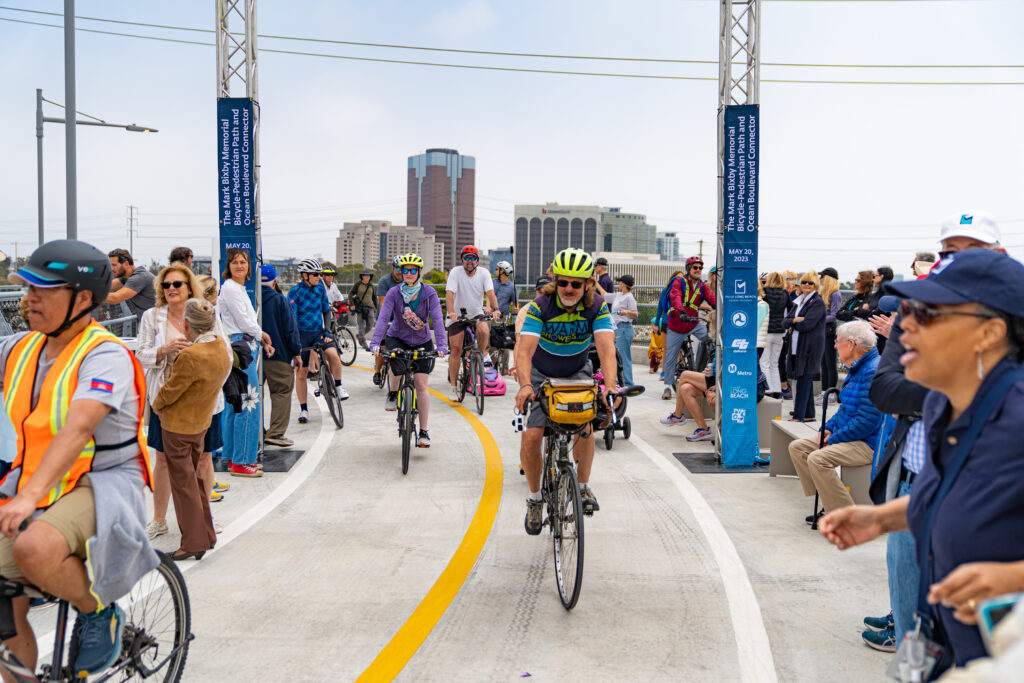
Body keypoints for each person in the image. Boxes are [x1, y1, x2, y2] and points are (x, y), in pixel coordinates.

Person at [820, 249, 1024, 677]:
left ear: (989, 333)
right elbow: (942, 495)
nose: (904, 326)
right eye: (909, 310)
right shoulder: (942, 408)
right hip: (939, 640)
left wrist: (1013, 579)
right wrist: (881, 519)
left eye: (929, 314)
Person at [0, 240, 156, 678]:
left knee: (33, 546)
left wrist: (29, 497)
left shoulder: (105, 355)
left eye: (43, 289)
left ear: (83, 299)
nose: (29, 297)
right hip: (35, 477)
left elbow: (78, 429)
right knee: (4, 609)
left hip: (101, 480)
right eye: (27, 287)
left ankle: (96, 612)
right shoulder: (20, 348)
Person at [863, 215, 1005, 652]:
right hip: (915, 488)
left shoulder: (1012, 316)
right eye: (948, 252)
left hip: (988, 497)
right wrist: (954, 384)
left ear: (997, 255)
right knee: (912, 625)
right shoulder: (915, 307)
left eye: (970, 250)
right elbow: (885, 388)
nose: (956, 260)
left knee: (974, 635)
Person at [516, 247, 616, 529]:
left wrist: (610, 386)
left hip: (577, 372)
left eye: (575, 283)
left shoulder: (596, 306)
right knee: (532, 437)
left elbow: (607, 350)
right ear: (555, 281)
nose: (568, 288)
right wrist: (525, 385)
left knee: (585, 428)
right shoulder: (541, 306)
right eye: (563, 282)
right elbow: (524, 352)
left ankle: (582, 486)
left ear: (587, 284)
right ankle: (535, 500)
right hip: (541, 375)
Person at [137, 263, 230, 539]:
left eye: (177, 284)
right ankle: (158, 519)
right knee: (163, 459)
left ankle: (205, 519)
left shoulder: (205, 313)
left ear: (189, 287)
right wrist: (164, 350)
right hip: (166, 399)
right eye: (166, 285)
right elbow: (140, 352)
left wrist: (198, 355)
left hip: (204, 400)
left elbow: (223, 351)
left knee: (203, 458)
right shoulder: (151, 317)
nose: (171, 290)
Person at [151, 298, 231, 561]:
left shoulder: (190, 355)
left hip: (177, 427)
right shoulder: (219, 347)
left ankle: (193, 542)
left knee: (183, 486)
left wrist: (157, 403)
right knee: (194, 482)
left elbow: (171, 390)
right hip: (200, 423)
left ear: (187, 324)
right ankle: (206, 534)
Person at [788, 320, 883, 518]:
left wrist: (833, 439)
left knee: (818, 458)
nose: (834, 345)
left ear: (851, 344)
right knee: (798, 447)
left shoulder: (872, 370)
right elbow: (845, 409)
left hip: (870, 443)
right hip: (854, 436)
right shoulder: (859, 367)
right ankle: (827, 498)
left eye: (837, 341)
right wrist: (829, 428)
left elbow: (868, 421)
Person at [370, 254, 448, 447]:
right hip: (398, 337)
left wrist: (442, 345)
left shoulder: (429, 293)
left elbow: (437, 320)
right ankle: (393, 393)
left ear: (419, 272)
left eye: (413, 270)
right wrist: (375, 343)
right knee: (395, 363)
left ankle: (423, 432)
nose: (409, 274)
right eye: (405, 270)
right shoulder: (393, 293)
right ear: (401, 272)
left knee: (421, 385)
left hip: (422, 340)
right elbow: (383, 318)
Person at [219, 248, 274, 477]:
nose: (240, 266)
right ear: (228, 266)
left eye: (243, 262)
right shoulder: (231, 288)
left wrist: (258, 337)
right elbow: (245, 322)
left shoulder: (236, 288)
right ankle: (242, 461)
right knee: (249, 402)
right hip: (241, 347)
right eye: (235, 262)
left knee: (236, 402)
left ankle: (233, 457)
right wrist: (263, 335)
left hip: (241, 346)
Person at [290, 258, 348, 426]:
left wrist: (328, 331)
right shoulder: (294, 292)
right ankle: (304, 409)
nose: (319, 277)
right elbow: (292, 317)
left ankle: (338, 386)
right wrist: (294, 340)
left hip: (319, 332)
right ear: (305, 275)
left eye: (320, 274)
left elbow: (326, 311)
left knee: (334, 356)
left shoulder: (320, 288)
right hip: (301, 335)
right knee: (301, 373)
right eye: (316, 274)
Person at [445, 245, 500, 402]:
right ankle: (454, 387)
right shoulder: (456, 272)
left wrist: (495, 309)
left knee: (484, 330)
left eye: (472, 258)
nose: (469, 261)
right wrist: (451, 313)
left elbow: (490, 293)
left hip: (476, 312)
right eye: (466, 258)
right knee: (455, 350)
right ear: (462, 259)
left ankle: (479, 355)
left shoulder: (483, 273)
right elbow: (449, 294)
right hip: (457, 315)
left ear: (477, 260)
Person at [661, 256, 715, 400]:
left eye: (700, 268)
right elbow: (676, 297)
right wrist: (681, 311)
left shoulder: (702, 285)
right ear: (688, 269)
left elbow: (712, 299)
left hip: (693, 323)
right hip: (677, 324)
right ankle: (667, 387)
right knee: (671, 356)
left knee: (710, 341)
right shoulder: (679, 282)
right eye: (695, 267)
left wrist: (721, 308)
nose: (698, 270)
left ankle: (706, 370)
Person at [260, 265, 301, 448]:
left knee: (254, 395)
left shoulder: (247, 298)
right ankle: (275, 434)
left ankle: (256, 431)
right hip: (279, 355)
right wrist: (296, 352)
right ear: (275, 281)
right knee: (281, 392)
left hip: (253, 357)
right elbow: (290, 329)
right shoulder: (279, 300)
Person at [784, 271, 826, 422]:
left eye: (810, 283)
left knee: (803, 379)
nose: (806, 285)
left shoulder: (817, 302)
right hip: (797, 345)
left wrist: (793, 323)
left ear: (815, 286)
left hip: (810, 347)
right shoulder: (798, 301)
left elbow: (807, 324)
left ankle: (798, 415)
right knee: (803, 377)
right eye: (804, 283)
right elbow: (785, 322)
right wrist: (796, 320)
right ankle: (809, 414)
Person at [374, 256, 404, 384]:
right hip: (386, 317)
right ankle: (377, 371)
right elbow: (382, 303)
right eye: (397, 268)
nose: (399, 271)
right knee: (383, 346)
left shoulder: (408, 281)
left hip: (403, 318)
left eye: (402, 268)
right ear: (393, 268)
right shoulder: (384, 281)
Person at [105, 248, 155, 323]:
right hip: (152, 324)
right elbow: (107, 286)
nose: (112, 268)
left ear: (126, 264)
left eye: (114, 265)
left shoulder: (139, 277)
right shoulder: (127, 278)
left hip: (161, 326)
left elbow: (115, 298)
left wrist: (92, 296)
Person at [761, 272, 790, 398]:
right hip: (780, 331)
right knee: (775, 363)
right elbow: (792, 307)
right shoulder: (785, 294)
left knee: (764, 362)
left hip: (766, 331)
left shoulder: (765, 292)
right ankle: (777, 390)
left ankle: (767, 390)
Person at [817, 267, 843, 404]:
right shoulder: (823, 293)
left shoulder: (835, 294)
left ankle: (831, 393)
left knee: (830, 363)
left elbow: (834, 316)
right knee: (823, 363)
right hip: (822, 331)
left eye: (822, 277)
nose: (820, 279)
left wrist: (818, 318)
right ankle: (824, 393)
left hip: (829, 332)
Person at [490, 260, 518, 372]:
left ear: (502, 271)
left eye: (497, 269)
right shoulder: (492, 282)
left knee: (505, 342)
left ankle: (505, 368)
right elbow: (488, 296)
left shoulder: (512, 287)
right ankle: (490, 366)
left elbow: (516, 303)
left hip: (504, 317)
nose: (496, 271)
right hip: (491, 317)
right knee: (491, 342)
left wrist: (516, 308)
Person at [610, 274, 638, 387]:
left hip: (624, 329)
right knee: (620, 356)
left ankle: (628, 384)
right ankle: (623, 382)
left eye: (620, 282)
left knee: (623, 357)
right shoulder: (619, 295)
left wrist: (627, 312)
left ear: (624, 284)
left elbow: (635, 314)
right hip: (618, 329)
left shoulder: (629, 297)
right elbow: (604, 295)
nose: (618, 283)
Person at [348, 269, 379, 350]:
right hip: (360, 308)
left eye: (368, 276)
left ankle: (360, 336)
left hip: (370, 308)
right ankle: (364, 343)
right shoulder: (358, 284)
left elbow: (374, 297)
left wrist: (377, 308)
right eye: (365, 275)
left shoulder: (371, 286)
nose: (366, 277)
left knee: (370, 324)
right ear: (362, 276)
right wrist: (352, 304)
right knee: (362, 326)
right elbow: (351, 293)